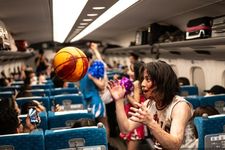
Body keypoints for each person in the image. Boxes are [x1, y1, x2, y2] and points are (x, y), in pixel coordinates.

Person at [108, 60, 195, 149]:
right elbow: (126, 128)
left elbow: (175, 145)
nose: (142, 84)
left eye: (148, 79)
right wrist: (119, 100)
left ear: (162, 82)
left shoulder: (180, 106)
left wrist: (150, 122)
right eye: (143, 79)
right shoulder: (150, 104)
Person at [120, 61, 145, 150]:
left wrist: (126, 93)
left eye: (131, 70)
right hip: (131, 118)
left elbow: (136, 105)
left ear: (137, 72)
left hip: (134, 118)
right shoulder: (136, 82)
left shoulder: (137, 84)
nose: (128, 72)